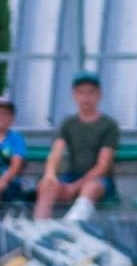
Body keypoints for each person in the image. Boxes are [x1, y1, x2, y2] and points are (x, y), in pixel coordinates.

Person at [35, 73, 118, 220]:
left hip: (100, 180)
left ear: (99, 95)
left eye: (91, 92)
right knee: (45, 185)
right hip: (72, 175)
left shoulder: (109, 125)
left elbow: (103, 166)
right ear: (74, 95)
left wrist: (75, 186)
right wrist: (50, 175)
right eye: (81, 92)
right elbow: (56, 152)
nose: (86, 97)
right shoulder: (68, 123)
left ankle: (72, 225)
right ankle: (39, 227)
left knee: (90, 188)